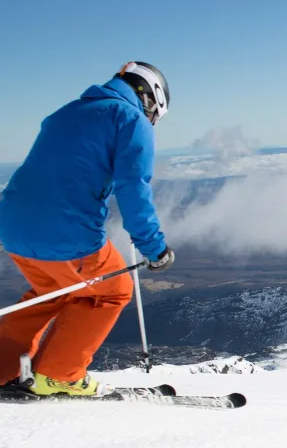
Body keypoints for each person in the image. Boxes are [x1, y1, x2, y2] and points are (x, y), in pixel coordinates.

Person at [0, 61, 175, 397]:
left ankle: (1, 365)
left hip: (12, 224)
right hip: (65, 233)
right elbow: (133, 189)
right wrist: (155, 248)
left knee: (51, 291)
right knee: (113, 290)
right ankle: (59, 375)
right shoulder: (130, 119)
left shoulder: (67, 112)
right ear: (151, 99)